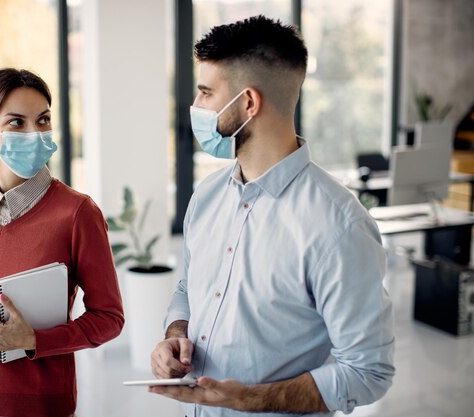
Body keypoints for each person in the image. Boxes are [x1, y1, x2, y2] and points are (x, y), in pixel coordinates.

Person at [149, 16, 395, 417]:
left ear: (248, 102)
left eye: (206, 93)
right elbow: (186, 289)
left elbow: (368, 371)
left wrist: (249, 399)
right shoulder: (208, 196)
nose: (195, 108)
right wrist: (176, 334)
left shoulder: (337, 225)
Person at [0, 68, 124, 417]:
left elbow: (109, 318)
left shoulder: (77, 213)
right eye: (17, 123)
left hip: (40, 406)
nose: (35, 133)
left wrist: (34, 342)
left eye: (43, 120)